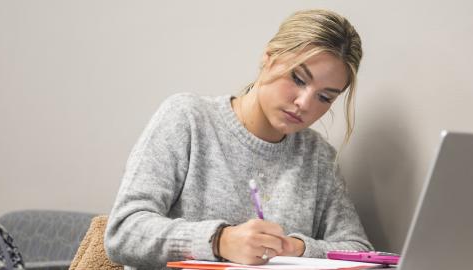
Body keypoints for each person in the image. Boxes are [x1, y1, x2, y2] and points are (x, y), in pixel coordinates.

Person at [104, 9, 372, 269]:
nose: (304, 103)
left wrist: (296, 248)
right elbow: (123, 231)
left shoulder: (318, 156)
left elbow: (359, 249)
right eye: (298, 78)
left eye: (325, 97)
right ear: (268, 58)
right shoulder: (188, 118)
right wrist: (219, 241)